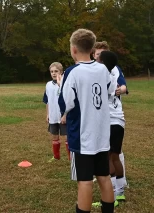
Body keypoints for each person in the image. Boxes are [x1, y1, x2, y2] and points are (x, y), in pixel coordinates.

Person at [58, 29, 115, 213]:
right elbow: (108, 92)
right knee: (104, 177)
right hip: (102, 135)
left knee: (84, 181)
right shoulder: (102, 69)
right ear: (92, 48)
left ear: (73, 49)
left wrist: (61, 86)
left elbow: (65, 104)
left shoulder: (72, 72)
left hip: (83, 137)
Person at [93, 42, 128, 203]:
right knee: (115, 156)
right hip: (119, 119)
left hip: (108, 120)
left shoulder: (102, 73)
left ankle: (112, 194)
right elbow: (121, 88)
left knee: (108, 158)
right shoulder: (115, 70)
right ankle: (120, 191)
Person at [43, 62, 69, 162]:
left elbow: (68, 101)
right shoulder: (48, 85)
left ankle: (71, 158)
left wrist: (65, 115)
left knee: (68, 138)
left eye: (56, 71)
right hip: (53, 116)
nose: (54, 73)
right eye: (52, 72)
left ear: (61, 72)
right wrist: (48, 114)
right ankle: (56, 156)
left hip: (63, 116)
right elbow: (47, 101)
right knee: (54, 137)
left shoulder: (65, 84)